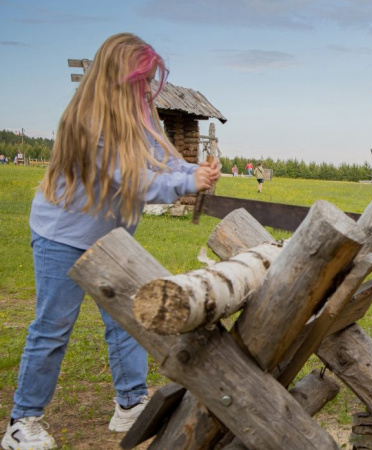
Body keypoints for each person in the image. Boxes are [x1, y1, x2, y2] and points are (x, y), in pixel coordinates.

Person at [1, 33, 221, 450]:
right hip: (61, 236)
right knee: (52, 328)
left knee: (127, 319)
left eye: (148, 82)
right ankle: (21, 421)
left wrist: (191, 169)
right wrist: (187, 182)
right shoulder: (88, 123)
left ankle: (130, 403)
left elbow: (164, 159)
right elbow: (132, 180)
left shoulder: (142, 117)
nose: (145, 90)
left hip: (111, 238)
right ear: (117, 77)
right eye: (140, 81)